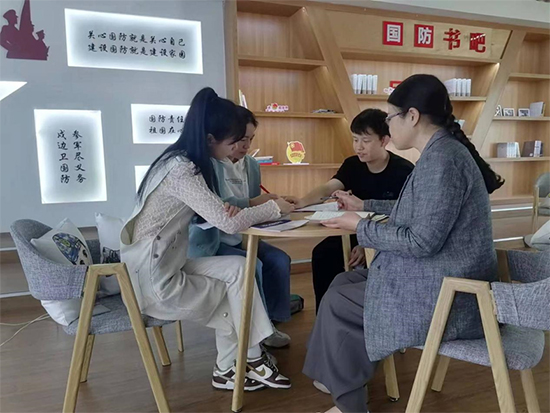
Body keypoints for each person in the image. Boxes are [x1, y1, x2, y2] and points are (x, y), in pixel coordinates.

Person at [303, 74, 504, 413]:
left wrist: (360, 226)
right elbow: (418, 210)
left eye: (390, 117)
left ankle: (348, 401)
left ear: (412, 116)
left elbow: (421, 241)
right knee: (343, 282)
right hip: (444, 279)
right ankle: (341, 380)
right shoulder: (442, 153)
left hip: (452, 296)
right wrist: (364, 205)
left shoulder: (442, 161)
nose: (388, 125)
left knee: (339, 300)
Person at [120, 88, 295, 392]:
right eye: (233, 142)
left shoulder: (177, 161)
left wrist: (226, 211)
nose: (237, 149)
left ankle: (233, 366)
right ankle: (247, 360)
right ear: (211, 139)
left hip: (164, 265)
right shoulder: (182, 170)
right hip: (155, 281)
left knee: (239, 269)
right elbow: (227, 222)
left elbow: (213, 215)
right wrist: (274, 207)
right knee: (233, 290)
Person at [284, 108, 413, 311]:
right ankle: (324, 315)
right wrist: (302, 201)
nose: (359, 147)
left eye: (365, 141)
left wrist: (366, 243)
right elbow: (328, 187)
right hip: (352, 232)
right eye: (355, 139)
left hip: (386, 238)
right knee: (322, 254)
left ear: (384, 140)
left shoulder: (403, 171)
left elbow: (402, 215)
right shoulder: (352, 165)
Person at [189, 106, 292, 347]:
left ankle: (270, 323)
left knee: (279, 260)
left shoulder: (252, 165)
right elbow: (218, 208)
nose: (246, 145)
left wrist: (269, 206)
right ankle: (256, 333)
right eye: (241, 138)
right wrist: (255, 203)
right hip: (211, 242)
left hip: (243, 236)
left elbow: (250, 210)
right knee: (253, 265)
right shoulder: (208, 163)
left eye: (251, 139)